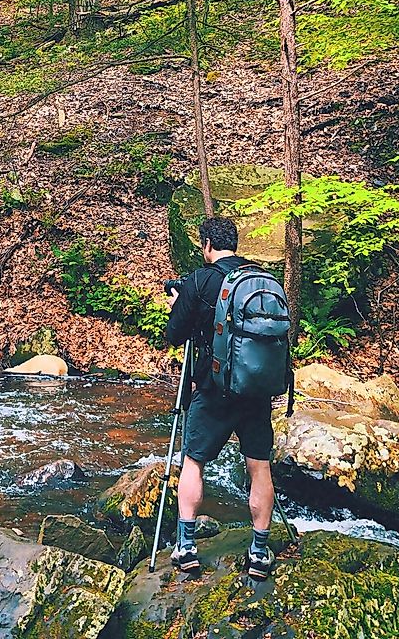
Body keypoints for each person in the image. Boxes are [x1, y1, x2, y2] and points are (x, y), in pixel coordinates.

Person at [164, 216, 277, 578]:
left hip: (213, 389)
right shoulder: (262, 281)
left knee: (194, 461)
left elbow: (173, 334)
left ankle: (186, 547)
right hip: (257, 391)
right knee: (259, 465)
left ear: (208, 244)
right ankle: (259, 552)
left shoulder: (201, 279)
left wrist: (183, 301)